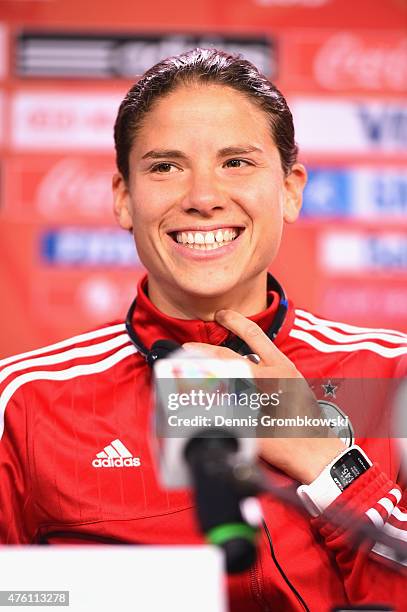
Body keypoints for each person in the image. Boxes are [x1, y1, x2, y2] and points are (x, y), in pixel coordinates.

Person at [0, 48, 406, 611]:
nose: (203, 198)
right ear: (123, 197)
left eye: (236, 162)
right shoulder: (25, 402)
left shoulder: (392, 377)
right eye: (166, 166)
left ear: (290, 189)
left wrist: (327, 463)